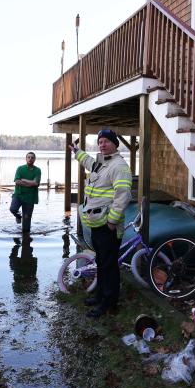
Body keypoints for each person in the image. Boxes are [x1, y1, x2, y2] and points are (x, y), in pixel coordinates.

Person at [70, 128, 132, 317]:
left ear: (115, 144)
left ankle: (108, 303)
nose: (102, 144)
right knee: (101, 263)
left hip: (108, 226)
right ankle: (100, 296)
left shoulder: (119, 166)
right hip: (97, 224)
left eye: (106, 141)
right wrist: (77, 152)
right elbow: (89, 162)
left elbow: (123, 196)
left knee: (109, 266)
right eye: (100, 142)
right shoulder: (101, 163)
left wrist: (112, 222)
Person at [10, 151, 41, 239]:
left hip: (30, 197)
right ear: (26, 158)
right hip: (18, 194)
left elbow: (36, 183)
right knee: (13, 209)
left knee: (27, 219)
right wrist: (30, 183)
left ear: (34, 159)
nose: (30, 159)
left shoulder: (37, 170)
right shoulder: (20, 168)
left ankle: (26, 236)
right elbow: (17, 181)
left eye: (32, 157)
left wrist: (24, 180)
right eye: (29, 157)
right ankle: (18, 216)